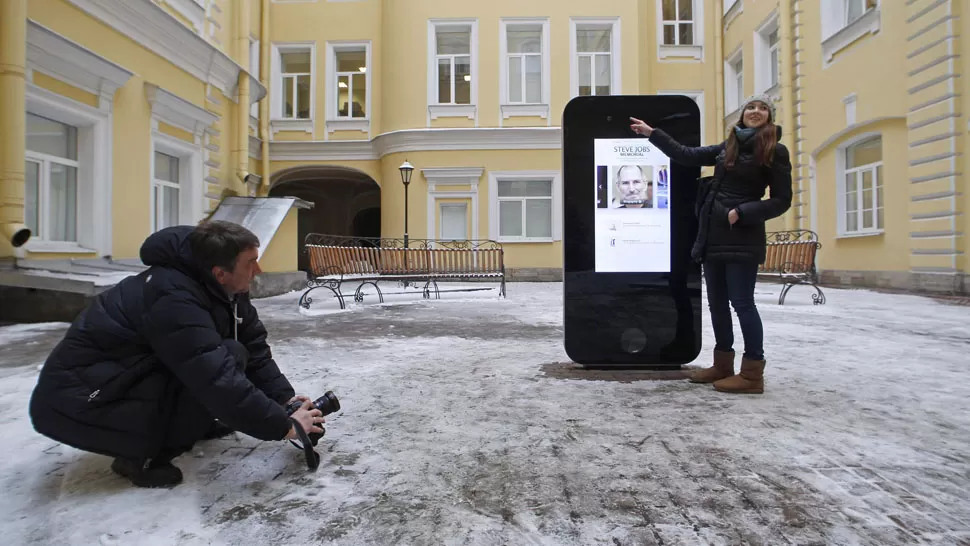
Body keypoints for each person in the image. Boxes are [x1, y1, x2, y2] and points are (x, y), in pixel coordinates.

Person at [28, 220, 325, 488]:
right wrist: (283, 425)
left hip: (122, 382)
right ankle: (139, 457)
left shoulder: (226, 289)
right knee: (218, 365)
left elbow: (255, 349)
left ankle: (193, 425)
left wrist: (285, 401)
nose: (258, 271)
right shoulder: (172, 296)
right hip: (83, 401)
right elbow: (215, 378)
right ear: (220, 273)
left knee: (232, 351)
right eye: (251, 263)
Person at [629, 94, 793, 394]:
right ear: (742, 115)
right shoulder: (728, 147)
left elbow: (783, 200)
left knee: (742, 303)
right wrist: (653, 134)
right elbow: (687, 154)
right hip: (713, 235)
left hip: (742, 236)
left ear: (770, 117)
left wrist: (743, 212)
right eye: (751, 107)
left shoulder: (774, 150)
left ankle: (752, 373)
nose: (756, 111)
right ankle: (722, 364)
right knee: (717, 303)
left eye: (763, 108)